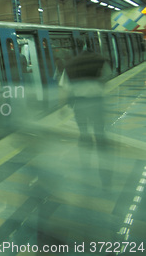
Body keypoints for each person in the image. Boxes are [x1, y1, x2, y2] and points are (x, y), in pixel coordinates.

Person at [60, 39, 113, 187]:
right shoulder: (100, 60)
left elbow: (64, 89)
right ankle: (106, 176)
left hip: (80, 105)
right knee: (100, 134)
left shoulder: (69, 66)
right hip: (96, 103)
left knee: (84, 134)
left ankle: (85, 166)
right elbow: (106, 78)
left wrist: (62, 108)